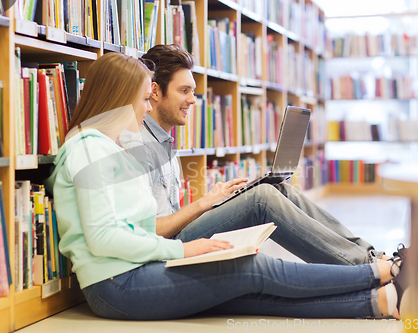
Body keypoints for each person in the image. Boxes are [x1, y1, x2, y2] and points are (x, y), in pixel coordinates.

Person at [45, 52, 407, 321]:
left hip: (133, 269)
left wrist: (202, 218)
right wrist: (185, 251)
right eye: (143, 98)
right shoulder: (88, 147)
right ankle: (380, 271)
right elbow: (105, 238)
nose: (145, 108)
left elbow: (132, 227)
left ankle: (381, 301)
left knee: (239, 287)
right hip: (116, 284)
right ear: (119, 97)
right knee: (251, 270)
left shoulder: (110, 148)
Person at [124, 44, 393, 266]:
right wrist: (203, 204)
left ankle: (373, 256)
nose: (193, 100)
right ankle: (365, 269)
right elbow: (150, 231)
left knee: (278, 190)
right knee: (262, 199)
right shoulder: (137, 145)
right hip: (166, 251)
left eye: (193, 91)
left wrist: (217, 202)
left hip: (179, 235)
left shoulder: (165, 141)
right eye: (184, 91)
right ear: (156, 91)